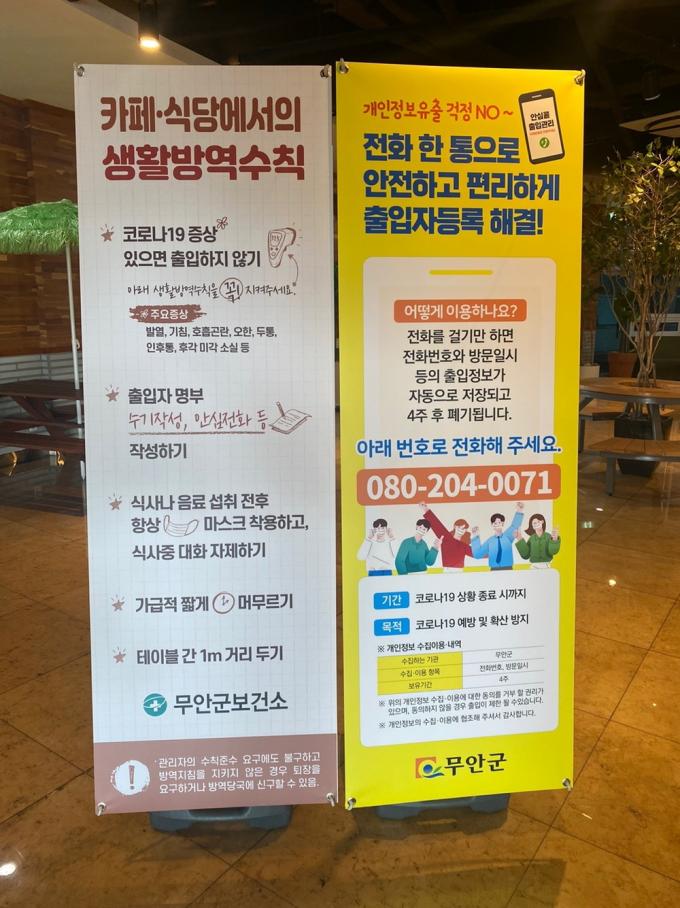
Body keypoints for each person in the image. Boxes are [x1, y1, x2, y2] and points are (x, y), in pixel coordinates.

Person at [470, 502, 524, 571]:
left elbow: (515, 526)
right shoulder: (490, 541)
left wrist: (519, 510)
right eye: (495, 523)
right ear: (492, 524)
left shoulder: (508, 537)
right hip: (494, 569)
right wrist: (475, 536)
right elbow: (478, 554)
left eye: (499, 522)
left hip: (508, 568)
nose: (497, 524)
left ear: (503, 523)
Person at [419, 503, 471, 572]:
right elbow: (436, 525)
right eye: (459, 527)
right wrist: (426, 509)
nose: (461, 530)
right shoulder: (447, 538)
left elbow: (477, 554)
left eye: (463, 528)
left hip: (459, 572)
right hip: (447, 571)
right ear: (455, 527)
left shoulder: (464, 545)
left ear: (466, 530)